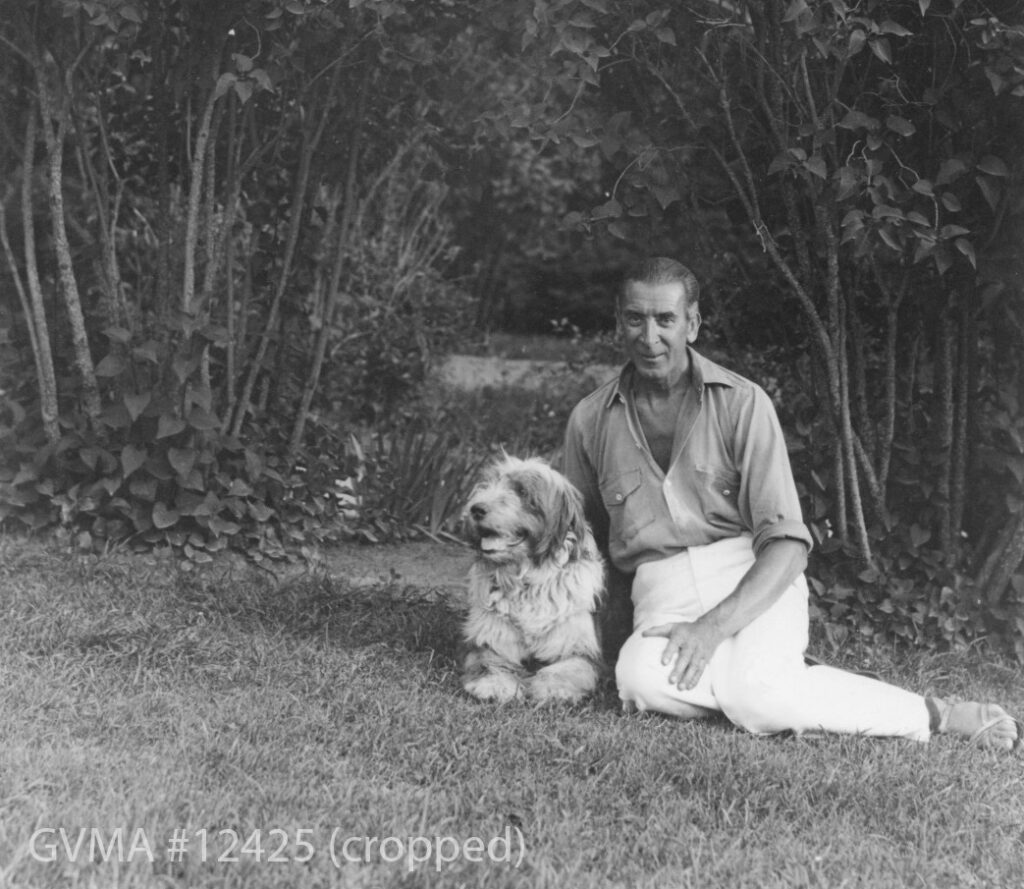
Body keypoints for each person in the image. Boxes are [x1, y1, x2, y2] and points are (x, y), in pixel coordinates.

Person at [557, 256, 1019, 750]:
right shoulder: (590, 420)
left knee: (758, 698)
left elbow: (786, 545)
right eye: (635, 318)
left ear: (691, 324)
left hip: (748, 574)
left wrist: (711, 629)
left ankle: (937, 713)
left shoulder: (741, 403)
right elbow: (582, 548)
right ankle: (780, 681)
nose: (649, 336)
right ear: (618, 322)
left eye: (665, 319)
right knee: (639, 684)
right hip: (661, 591)